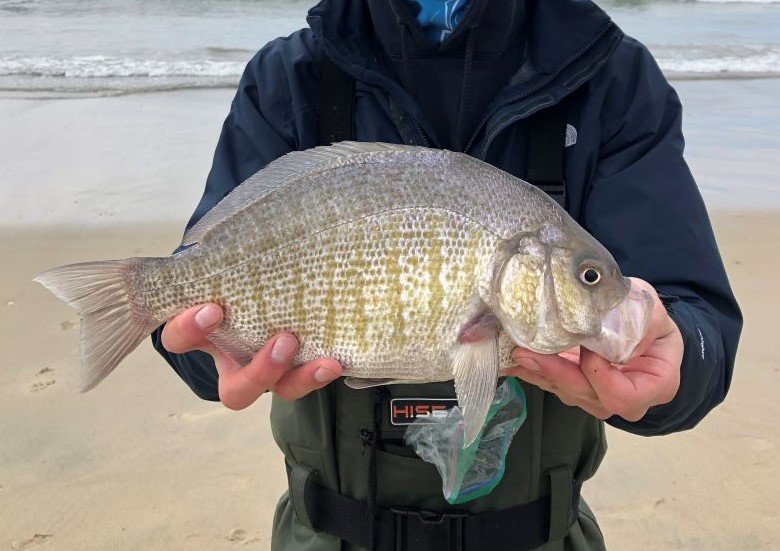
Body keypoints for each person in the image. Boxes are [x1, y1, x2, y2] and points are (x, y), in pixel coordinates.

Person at [152, 0, 742, 548]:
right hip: (326, 532)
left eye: (587, 276)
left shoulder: (612, 79)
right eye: (589, 276)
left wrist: (678, 360)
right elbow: (196, 300)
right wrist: (200, 349)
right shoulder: (290, 79)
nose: (596, 287)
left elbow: (696, 322)